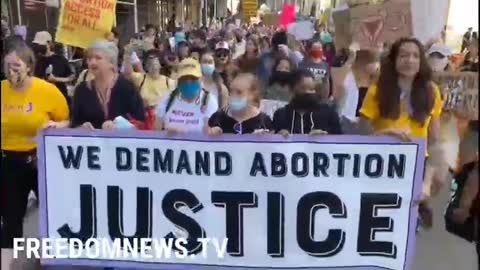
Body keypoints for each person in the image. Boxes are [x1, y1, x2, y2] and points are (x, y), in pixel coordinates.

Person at [358, 37, 446, 227]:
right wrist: (384, 134)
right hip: (380, 165)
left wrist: (427, 182)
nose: (410, 60)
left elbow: (434, 141)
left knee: (403, 229)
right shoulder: (377, 90)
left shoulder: (432, 91)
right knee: (374, 223)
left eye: (415, 55)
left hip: (415, 166)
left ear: (421, 61)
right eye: (403, 55)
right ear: (394, 60)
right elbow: (361, 132)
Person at [1, 41, 69, 270]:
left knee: (52, 212)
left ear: (29, 66)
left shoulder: (47, 91)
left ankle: (49, 256)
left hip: (42, 160)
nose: (11, 72)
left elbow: (68, 121)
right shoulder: (1, 90)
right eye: (7, 66)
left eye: (16, 66)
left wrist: (57, 125)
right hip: (10, 161)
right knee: (10, 218)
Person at [70, 40, 145, 129]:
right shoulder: (82, 90)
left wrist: (119, 127)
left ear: (111, 63)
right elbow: (74, 123)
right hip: (90, 142)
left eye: (98, 58)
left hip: (121, 142)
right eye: (89, 59)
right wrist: (81, 127)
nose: (92, 62)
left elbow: (141, 123)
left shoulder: (127, 88)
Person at [155, 58, 218, 134]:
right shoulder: (167, 99)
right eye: (184, 79)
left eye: (193, 78)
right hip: (172, 144)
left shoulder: (209, 101)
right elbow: (155, 130)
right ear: (178, 80)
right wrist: (166, 133)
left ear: (201, 79)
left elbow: (209, 132)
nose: (188, 82)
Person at [273, 69, 342, 135]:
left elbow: (340, 140)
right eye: (303, 88)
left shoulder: (328, 113)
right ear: (291, 90)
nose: (309, 92)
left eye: (312, 89)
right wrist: (279, 136)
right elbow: (272, 142)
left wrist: (325, 137)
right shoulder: (280, 115)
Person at [209, 73, 273, 134]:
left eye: (239, 92)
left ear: (253, 95)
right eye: (231, 91)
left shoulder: (264, 122)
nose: (233, 95)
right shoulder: (217, 119)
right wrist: (210, 133)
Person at [32, 31, 75, 106]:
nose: (38, 47)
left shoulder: (60, 60)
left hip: (60, 100)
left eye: (40, 44)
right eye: (37, 45)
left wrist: (56, 79)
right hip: (43, 101)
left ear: (48, 44)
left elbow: (71, 77)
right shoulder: (37, 61)